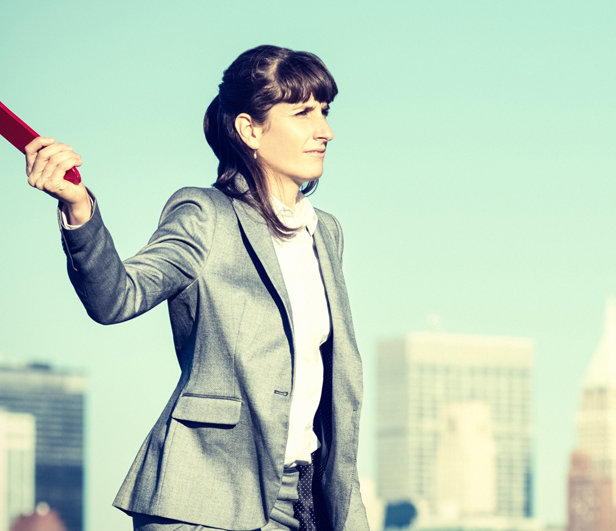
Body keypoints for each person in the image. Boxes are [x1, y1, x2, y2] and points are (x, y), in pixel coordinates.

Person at [22, 45, 364, 531]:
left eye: (324, 111)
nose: (324, 130)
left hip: (302, 496)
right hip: (204, 496)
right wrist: (79, 208)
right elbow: (116, 298)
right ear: (250, 129)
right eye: (303, 112)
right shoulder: (206, 215)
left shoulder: (326, 233)